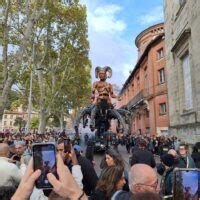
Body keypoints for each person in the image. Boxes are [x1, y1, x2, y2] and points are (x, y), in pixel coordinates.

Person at [11, 155, 88, 200]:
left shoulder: (37, 195)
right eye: (58, 150)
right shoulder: (75, 188)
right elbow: (77, 184)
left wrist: (19, 196)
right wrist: (74, 193)